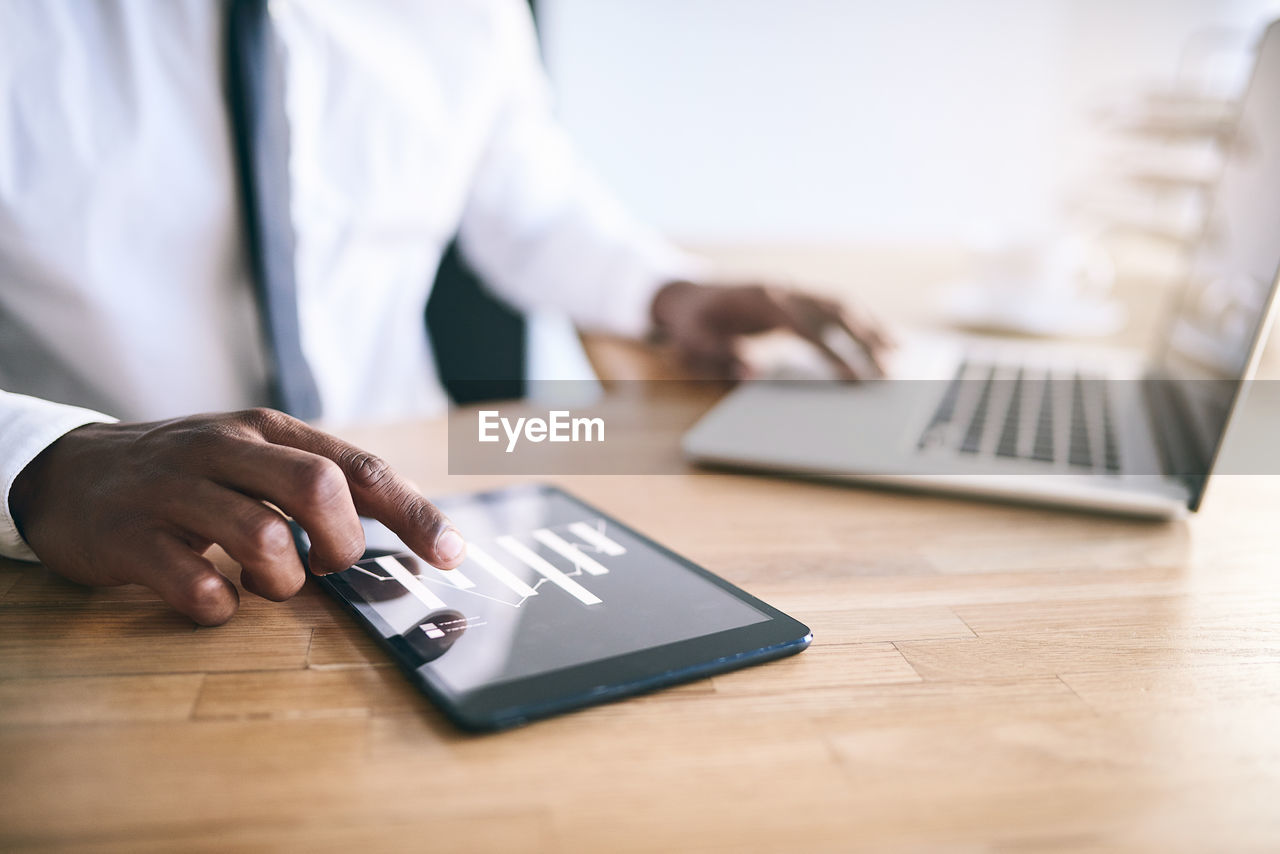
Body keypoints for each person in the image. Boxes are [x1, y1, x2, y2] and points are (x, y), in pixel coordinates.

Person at [0, 0, 888, 626]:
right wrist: (37, 462)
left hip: (417, 507)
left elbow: (529, 206)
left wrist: (668, 293)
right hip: (99, 561)